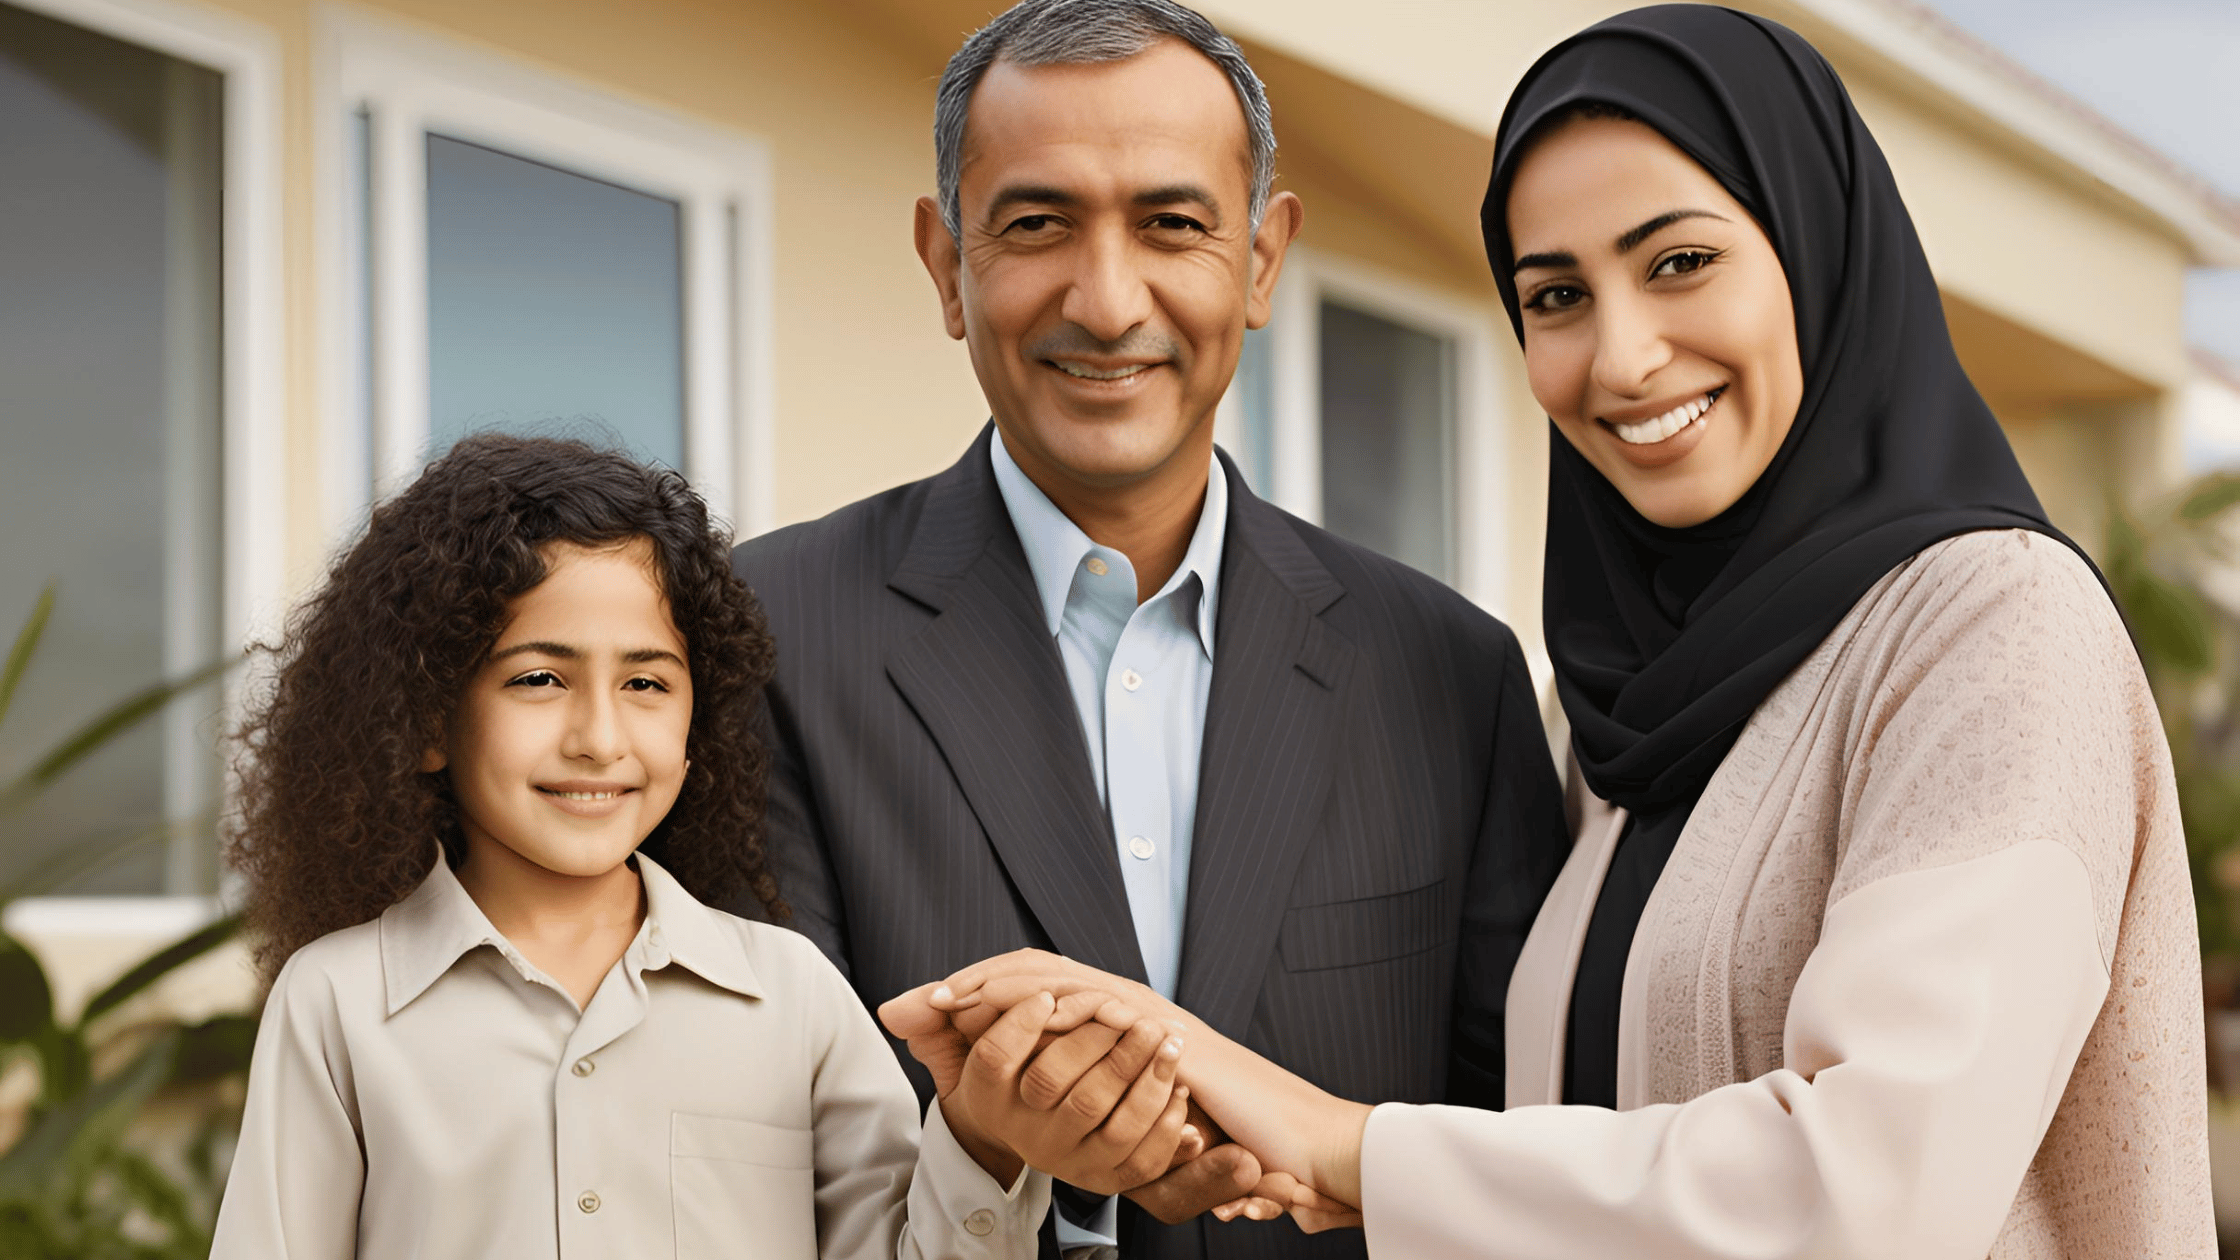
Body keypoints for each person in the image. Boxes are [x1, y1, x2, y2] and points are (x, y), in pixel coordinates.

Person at [885, 6, 2218, 1256]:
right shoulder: (1623, 716)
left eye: (1681, 262)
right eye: (1558, 296)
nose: (1623, 357)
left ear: (1817, 252)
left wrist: (1352, 1146)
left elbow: (1874, 1194)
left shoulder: (1991, 627)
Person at [727, 0, 1571, 1256]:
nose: (1108, 301)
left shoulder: (1451, 675)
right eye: (1035, 225)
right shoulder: (767, 640)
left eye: (1172, 225)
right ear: (945, 264)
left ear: (1262, 260)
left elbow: (1513, 1153)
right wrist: (1007, 1154)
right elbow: (750, 1164)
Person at [210, 433, 1203, 1259]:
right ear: (426, 719)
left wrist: (983, 1141)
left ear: (698, 720)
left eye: (646, 683)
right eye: (537, 680)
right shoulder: (336, 1003)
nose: (600, 736)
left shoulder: (793, 995)